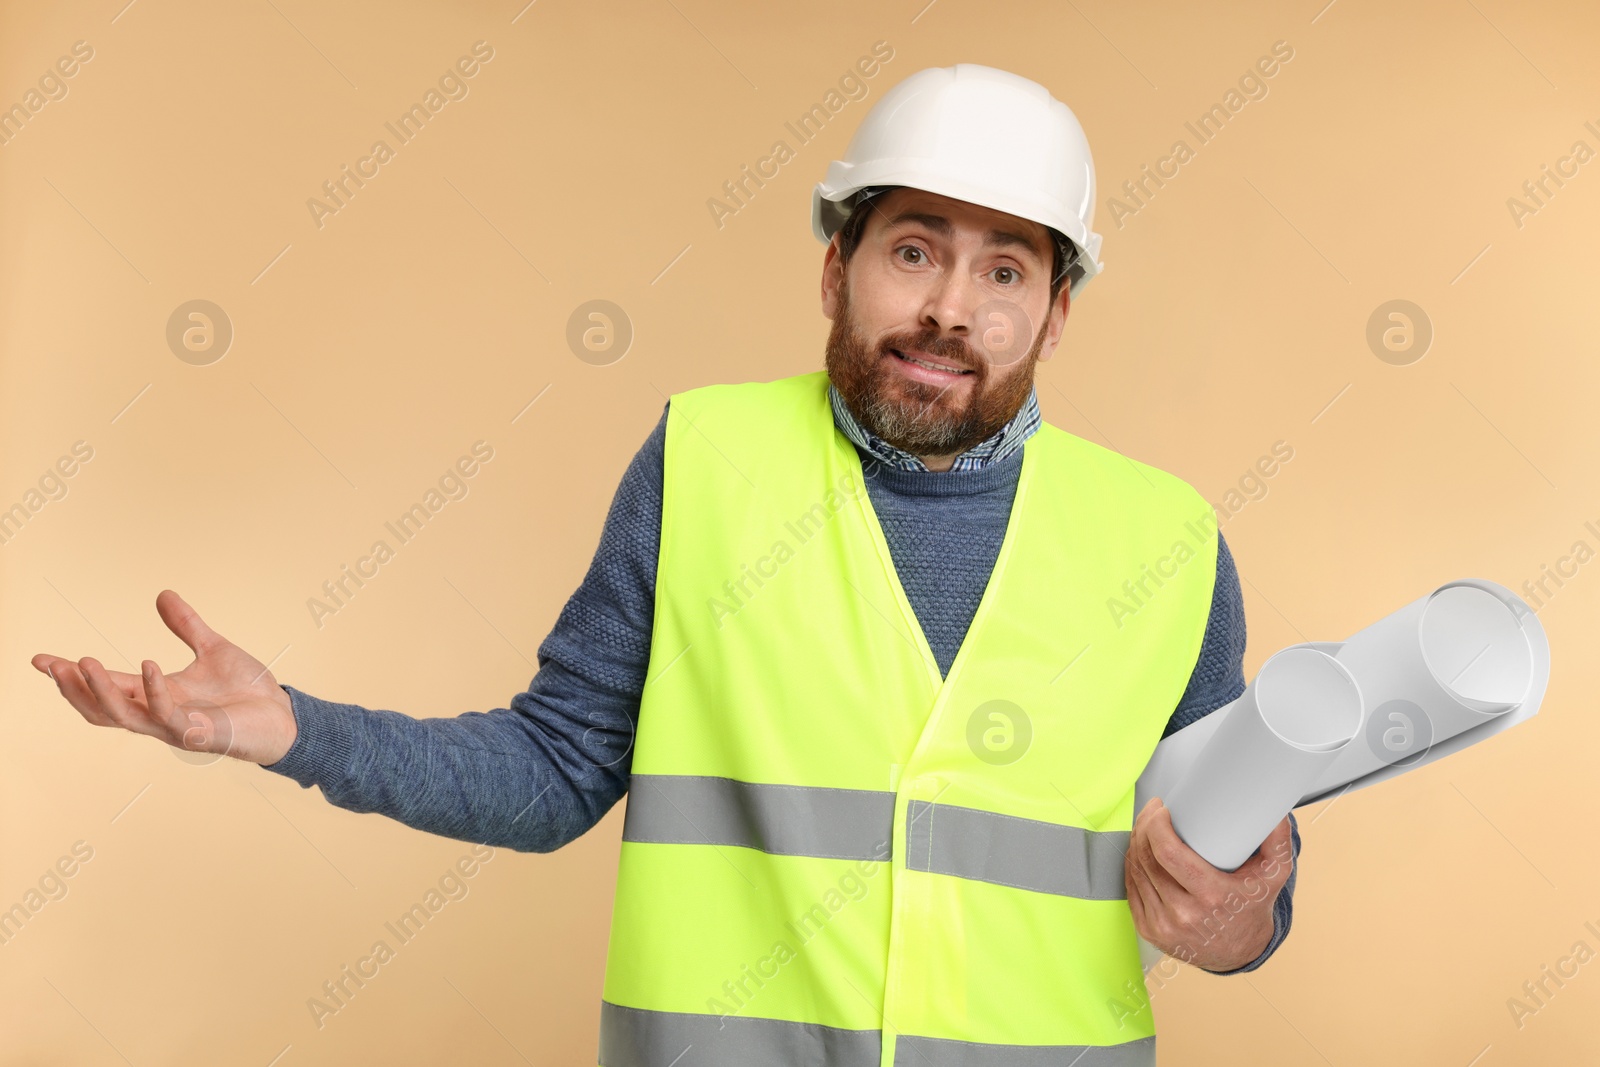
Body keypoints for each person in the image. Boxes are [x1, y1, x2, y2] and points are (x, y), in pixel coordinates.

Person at [33, 63, 1298, 1065]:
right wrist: (298, 727)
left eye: (1006, 269)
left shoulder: (1167, 542)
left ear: (1057, 312)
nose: (951, 311)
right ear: (834, 269)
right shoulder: (704, 460)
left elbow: (1234, 879)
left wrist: (1242, 916)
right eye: (913, 249)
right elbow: (555, 767)